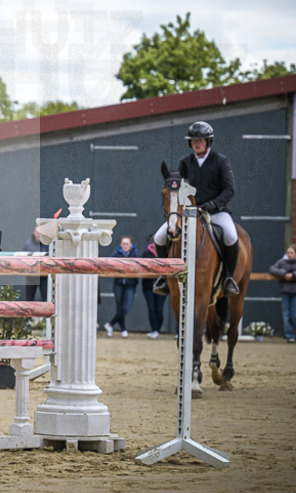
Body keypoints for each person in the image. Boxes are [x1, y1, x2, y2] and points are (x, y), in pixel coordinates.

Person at [153, 121, 240, 297]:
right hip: (188, 214)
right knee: (160, 237)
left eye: (200, 140)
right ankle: (164, 276)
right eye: (194, 141)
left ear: (208, 141)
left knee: (231, 236)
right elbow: (177, 189)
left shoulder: (220, 161)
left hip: (215, 212)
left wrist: (213, 204)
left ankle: (228, 278)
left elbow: (230, 190)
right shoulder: (184, 162)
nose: (197, 144)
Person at [103, 236, 140, 338]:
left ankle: (110, 324)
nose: (125, 246)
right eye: (123, 244)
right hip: (118, 284)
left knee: (125, 308)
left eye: (127, 244)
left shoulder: (135, 253)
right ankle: (123, 330)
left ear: (131, 245)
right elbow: (108, 262)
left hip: (130, 285)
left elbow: (139, 265)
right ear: (120, 245)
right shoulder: (117, 253)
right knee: (119, 307)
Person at [268, 244, 296, 343]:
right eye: (288, 252)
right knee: (286, 315)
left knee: (294, 314)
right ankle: (289, 335)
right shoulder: (282, 262)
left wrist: (293, 275)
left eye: (291, 253)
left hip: (295, 293)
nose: (290, 254)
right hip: (285, 291)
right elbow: (272, 269)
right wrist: (284, 274)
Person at [140, 242, 167, 339]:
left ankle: (157, 330)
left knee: (159, 309)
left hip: (161, 285)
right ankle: (154, 329)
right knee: (151, 309)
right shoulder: (146, 253)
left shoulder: (165, 253)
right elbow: (142, 269)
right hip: (148, 286)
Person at [21, 226, 50, 302]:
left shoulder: (48, 245)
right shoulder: (28, 244)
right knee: (29, 300)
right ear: (34, 232)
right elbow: (22, 260)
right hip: (31, 276)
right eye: (37, 232)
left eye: (41, 233)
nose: (39, 235)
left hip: (44, 276)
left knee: (46, 299)